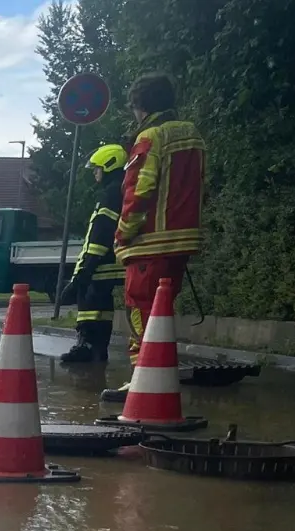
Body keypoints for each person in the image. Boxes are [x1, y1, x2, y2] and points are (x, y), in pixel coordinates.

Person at [112, 72, 206, 384]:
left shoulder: (150, 136)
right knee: (162, 309)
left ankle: (143, 380)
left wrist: (123, 233)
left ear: (139, 105)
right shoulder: (191, 134)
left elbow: (139, 190)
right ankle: (159, 375)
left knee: (140, 309)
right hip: (182, 238)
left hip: (148, 242)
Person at [57, 144, 129, 363]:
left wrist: (85, 270)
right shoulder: (122, 189)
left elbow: (100, 233)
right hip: (113, 260)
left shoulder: (110, 194)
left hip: (102, 263)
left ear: (108, 165)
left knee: (89, 302)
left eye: (97, 168)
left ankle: (86, 346)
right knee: (103, 306)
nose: (95, 173)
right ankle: (98, 349)